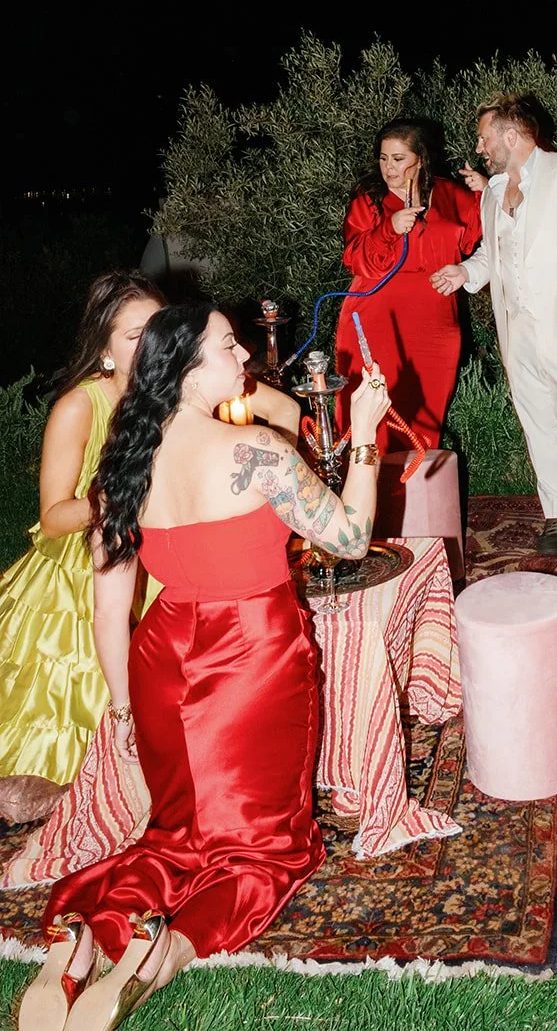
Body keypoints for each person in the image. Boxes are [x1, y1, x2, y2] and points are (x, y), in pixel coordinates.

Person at [16, 302, 389, 1031]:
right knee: (262, 850)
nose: (245, 357)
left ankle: (78, 945)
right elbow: (348, 539)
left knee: (176, 835)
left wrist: (125, 711)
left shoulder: (122, 467)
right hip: (253, 656)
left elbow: (108, 610)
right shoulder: (260, 453)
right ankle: (162, 959)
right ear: (188, 372)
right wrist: (367, 436)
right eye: (228, 347)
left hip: (161, 660)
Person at [430, 92, 557, 556]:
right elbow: (492, 256)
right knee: (540, 425)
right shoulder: (495, 192)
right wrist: (466, 272)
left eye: (484, 138)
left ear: (510, 135)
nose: (480, 148)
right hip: (518, 334)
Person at [0, 271, 165, 793]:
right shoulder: (79, 406)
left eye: (158, 329)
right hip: (79, 565)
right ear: (105, 348)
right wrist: (113, 499)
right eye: (134, 336)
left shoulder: (172, 393)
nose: (151, 344)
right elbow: (52, 515)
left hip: (160, 555)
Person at [334, 116, 483, 453]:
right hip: (377, 317)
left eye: (398, 159)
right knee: (373, 411)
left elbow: (485, 233)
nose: (389, 168)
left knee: (425, 414)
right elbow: (355, 258)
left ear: (420, 159)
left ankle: (415, 498)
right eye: (384, 158)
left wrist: (487, 192)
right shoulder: (368, 199)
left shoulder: (448, 194)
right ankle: (364, 493)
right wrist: (389, 228)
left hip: (435, 319)